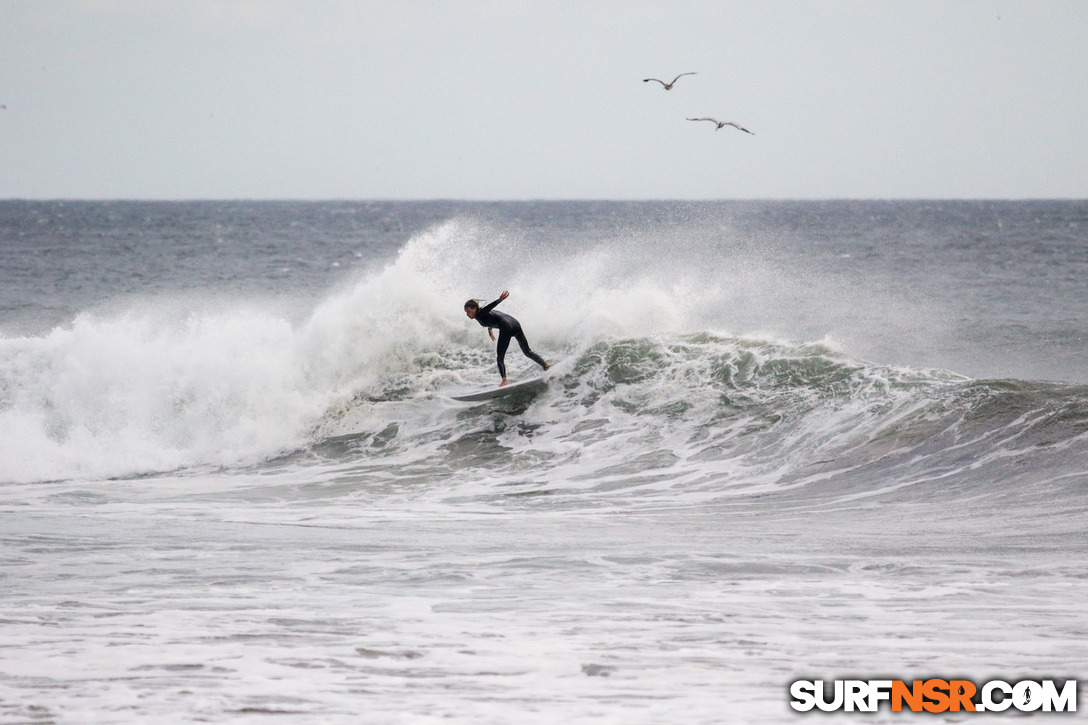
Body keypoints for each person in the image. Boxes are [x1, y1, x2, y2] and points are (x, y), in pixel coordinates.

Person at [464, 290, 549, 386]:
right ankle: (545, 365)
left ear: (474, 308)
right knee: (527, 351)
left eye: (468, 311)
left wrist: (499, 300)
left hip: (506, 327)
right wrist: (490, 329)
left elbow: (488, 308)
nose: (467, 314)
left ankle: (504, 381)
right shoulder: (483, 314)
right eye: (466, 312)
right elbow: (493, 319)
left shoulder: (480, 313)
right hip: (515, 324)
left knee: (500, 358)